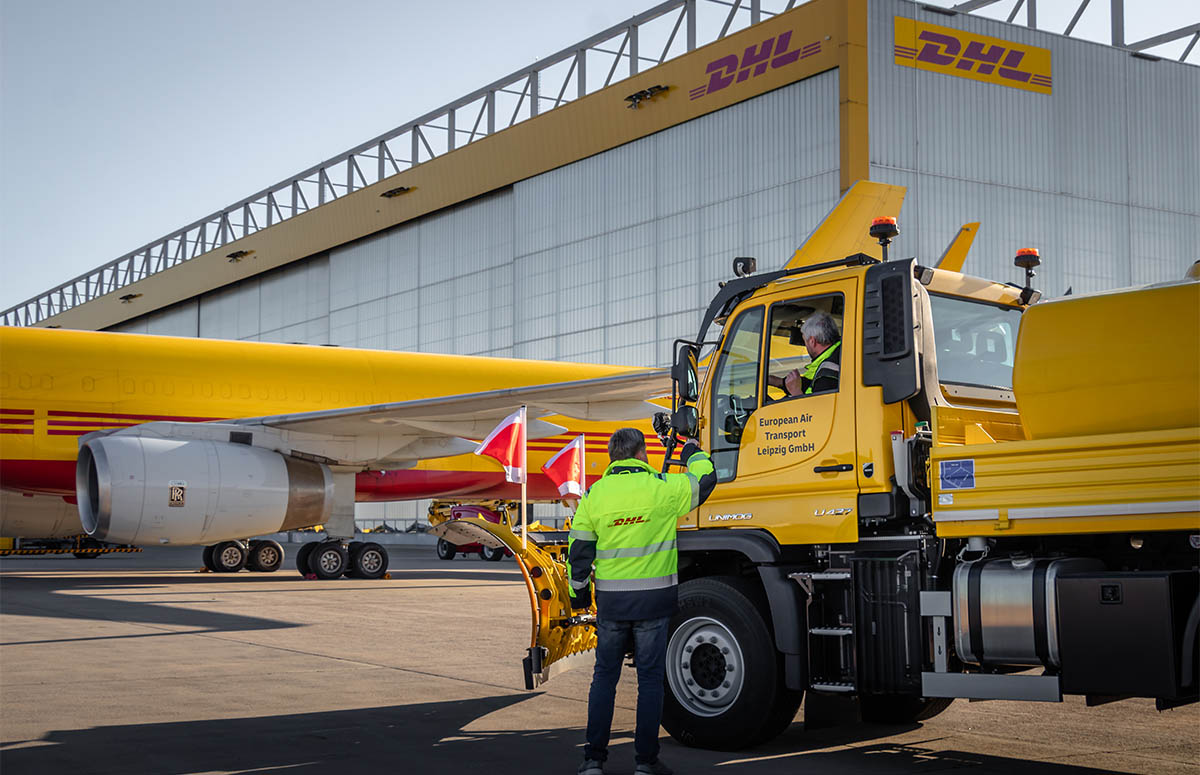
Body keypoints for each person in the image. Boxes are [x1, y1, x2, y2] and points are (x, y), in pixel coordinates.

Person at [568, 428, 717, 775]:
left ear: (612, 456)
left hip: (612, 606)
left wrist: (578, 598)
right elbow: (706, 479)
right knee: (650, 681)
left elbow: (578, 554)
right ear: (641, 453)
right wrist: (691, 451)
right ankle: (645, 763)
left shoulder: (595, 495)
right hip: (653, 604)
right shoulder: (662, 489)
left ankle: (593, 761)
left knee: (604, 678)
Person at [767, 310, 841, 396]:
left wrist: (796, 391)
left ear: (812, 341)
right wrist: (778, 382)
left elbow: (816, 408)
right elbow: (810, 383)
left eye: (805, 341)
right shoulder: (837, 354)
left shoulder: (827, 375)